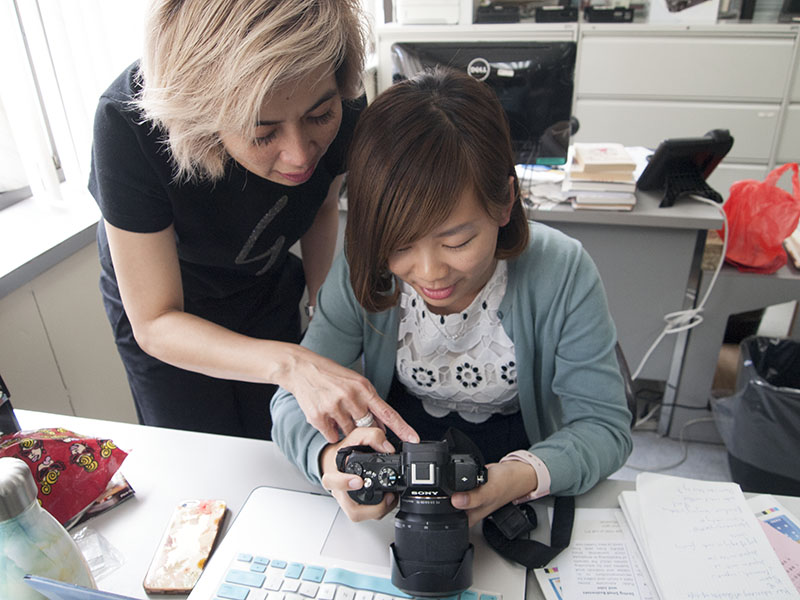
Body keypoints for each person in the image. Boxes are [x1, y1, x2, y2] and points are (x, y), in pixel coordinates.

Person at [272, 68, 633, 525]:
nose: (429, 273)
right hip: (397, 475)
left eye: (457, 242)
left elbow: (604, 428)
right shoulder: (363, 265)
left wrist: (518, 477)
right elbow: (291, 401)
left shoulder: (561, 270)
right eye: (399, 245)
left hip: (520, 466)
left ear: (504, 202)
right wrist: (332, 461)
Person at [88, 0, 416, 442]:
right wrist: (293, 363)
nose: (300, 156)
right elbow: (155, 321)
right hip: (175, 311)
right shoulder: (131, 125)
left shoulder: (339, 94)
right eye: (263, 133)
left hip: (266, 285)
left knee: (282, 440)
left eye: (319, 116)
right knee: (204, 456)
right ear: (203, 116)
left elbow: (320, 203)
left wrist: (325, 314)